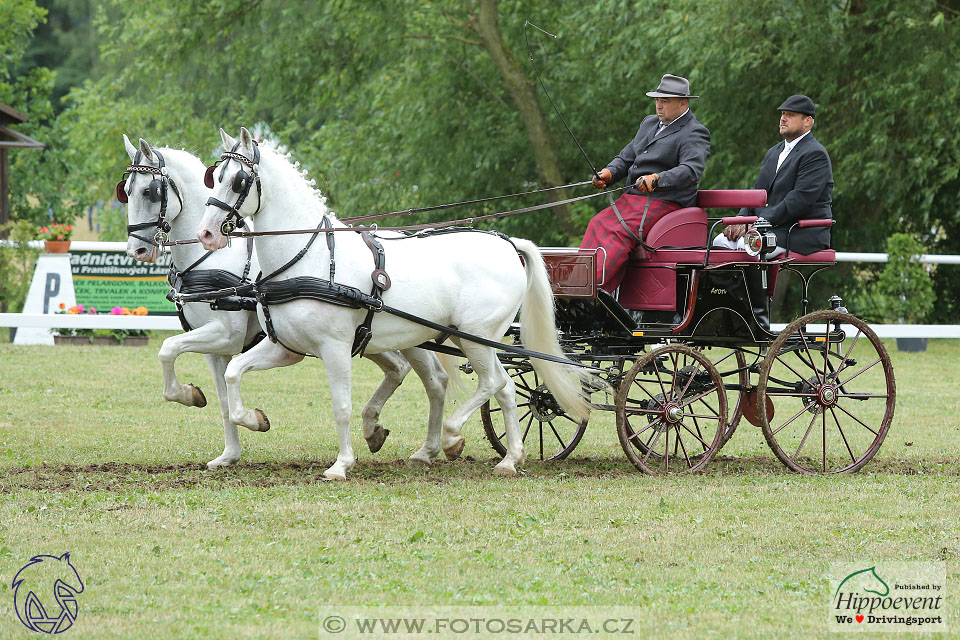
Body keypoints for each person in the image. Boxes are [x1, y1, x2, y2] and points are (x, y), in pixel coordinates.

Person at [581, 73, 710, 293]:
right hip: (634, 199)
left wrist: (657, 179)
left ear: (683, 102)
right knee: (597, 223)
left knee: (617, 230)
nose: (659, 106)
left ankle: (593, 289)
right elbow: (627, 156)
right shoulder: (649, 123)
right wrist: (610, 173)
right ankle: (579, 284)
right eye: (657, 100)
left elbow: (690, 170)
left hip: (665, 201)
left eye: (665, 101)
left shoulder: (695, 132)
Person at [713, 94, 833, 257]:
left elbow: (798, 201)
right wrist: (740, 219)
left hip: (799, 232)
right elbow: (757, 193)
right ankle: (727, 284)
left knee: (746, 245)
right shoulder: (773, 152)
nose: (783, 119)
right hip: (769, 229)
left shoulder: (815, 154)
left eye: (790, 115)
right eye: (782, 114)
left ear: (808, 121)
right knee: (720, 242)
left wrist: (756, 223)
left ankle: (755, 284)